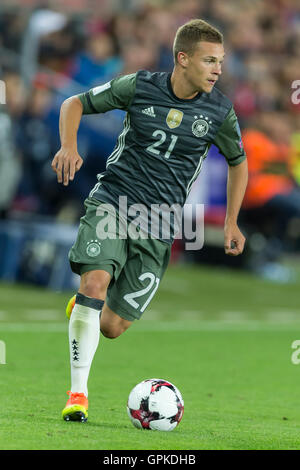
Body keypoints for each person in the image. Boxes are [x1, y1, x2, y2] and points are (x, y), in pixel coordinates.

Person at [51, 19, 248, 422]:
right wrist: (68, 146)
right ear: (183, 58)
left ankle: (83, 310)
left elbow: (238, 163)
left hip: (159, 223)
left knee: (112, 326)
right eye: (210, 60)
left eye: (221, 62)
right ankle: (78, 396)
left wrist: (232, 222)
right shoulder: (139, 87)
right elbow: (74, 103)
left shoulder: (220, 112)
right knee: (95, 282)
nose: (218, 69)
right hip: (113, 202)